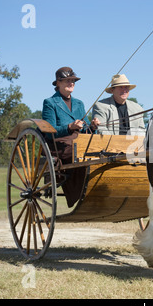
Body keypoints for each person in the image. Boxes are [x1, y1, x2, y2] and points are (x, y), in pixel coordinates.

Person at [42, 66, 100, 207]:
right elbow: (49, 132)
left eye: (73, 80)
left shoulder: (79, 103)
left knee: (98, 152)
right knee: (79, 152)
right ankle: (78, 194)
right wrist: (69, 127)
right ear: (58, 83)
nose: (71, 83)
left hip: (78, 142)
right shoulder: (50, 103)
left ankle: (94, 192)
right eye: (68, 80)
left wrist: (92, 127)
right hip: (58, 144)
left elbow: (85, 128)